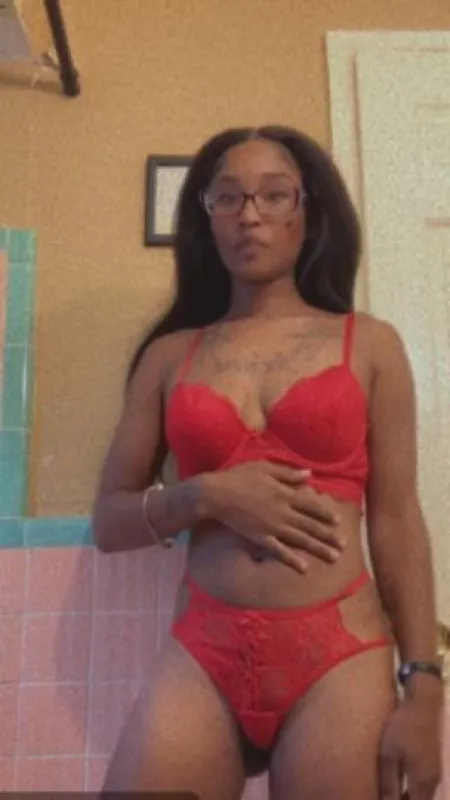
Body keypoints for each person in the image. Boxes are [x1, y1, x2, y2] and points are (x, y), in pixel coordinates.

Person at [93, 125, 443, 799]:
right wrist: (204, 496)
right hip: (203, 651)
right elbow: (110, 522)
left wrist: (423, 684)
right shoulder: (170, 356)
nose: (249, 214)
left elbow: (397, 519)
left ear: (308, 212)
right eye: (227, 197)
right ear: (206, 218)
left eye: (274, 195)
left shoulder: (370, 344)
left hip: (340, 655)